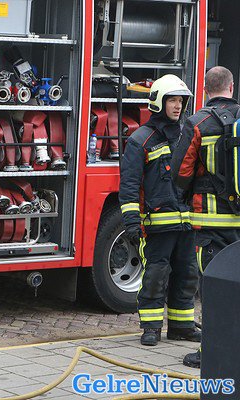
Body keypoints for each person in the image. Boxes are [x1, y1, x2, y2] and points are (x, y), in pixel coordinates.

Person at [119, 74, 201, 346]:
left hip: (186, 223)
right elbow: (129, 184)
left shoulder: (188, 135)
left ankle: (182, 326)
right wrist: (132, 221)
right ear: (158, 102)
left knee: (187, 275)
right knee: (156, 275)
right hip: (157, 225)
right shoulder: (140, 140)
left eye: (181, 101)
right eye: (172, 100)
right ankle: (151, 328)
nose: (178, 106)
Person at [171, 66, 240, 368]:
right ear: (232, 87)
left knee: (213, 288)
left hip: (212, 224)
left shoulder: (197, 123)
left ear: (205, 90)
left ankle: (210, 353)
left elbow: (180, 172)